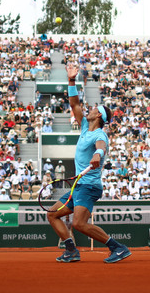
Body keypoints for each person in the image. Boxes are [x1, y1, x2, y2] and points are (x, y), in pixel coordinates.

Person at [47, 63, 131, 264]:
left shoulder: (100, 134)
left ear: (99, 115)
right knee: (52, 215)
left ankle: (117, 247)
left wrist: (98, 154)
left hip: (89, 186)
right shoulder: (85, 126)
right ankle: (71, 250)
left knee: (78, 224)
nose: (90, 109)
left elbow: (101, 145)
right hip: (78, 186)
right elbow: (75, 104)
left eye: (94, 109)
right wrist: (71, 80)